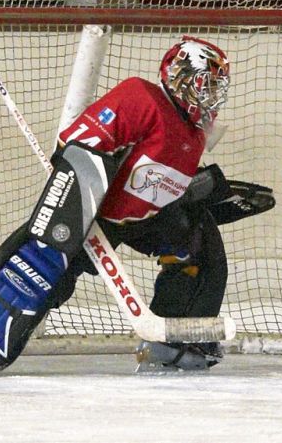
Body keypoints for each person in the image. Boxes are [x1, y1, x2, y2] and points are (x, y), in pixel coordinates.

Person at [55, 35, 233, 370]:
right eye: (205, 84)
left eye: (215, 86)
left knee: (197, 244)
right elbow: (78, 143)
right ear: (181, 77)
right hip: (99, 211)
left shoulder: (193, 132)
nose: (210, 94)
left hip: (143, 218)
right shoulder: (142, 96)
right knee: (52, 274)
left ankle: (172, 344)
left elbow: (162, 181)